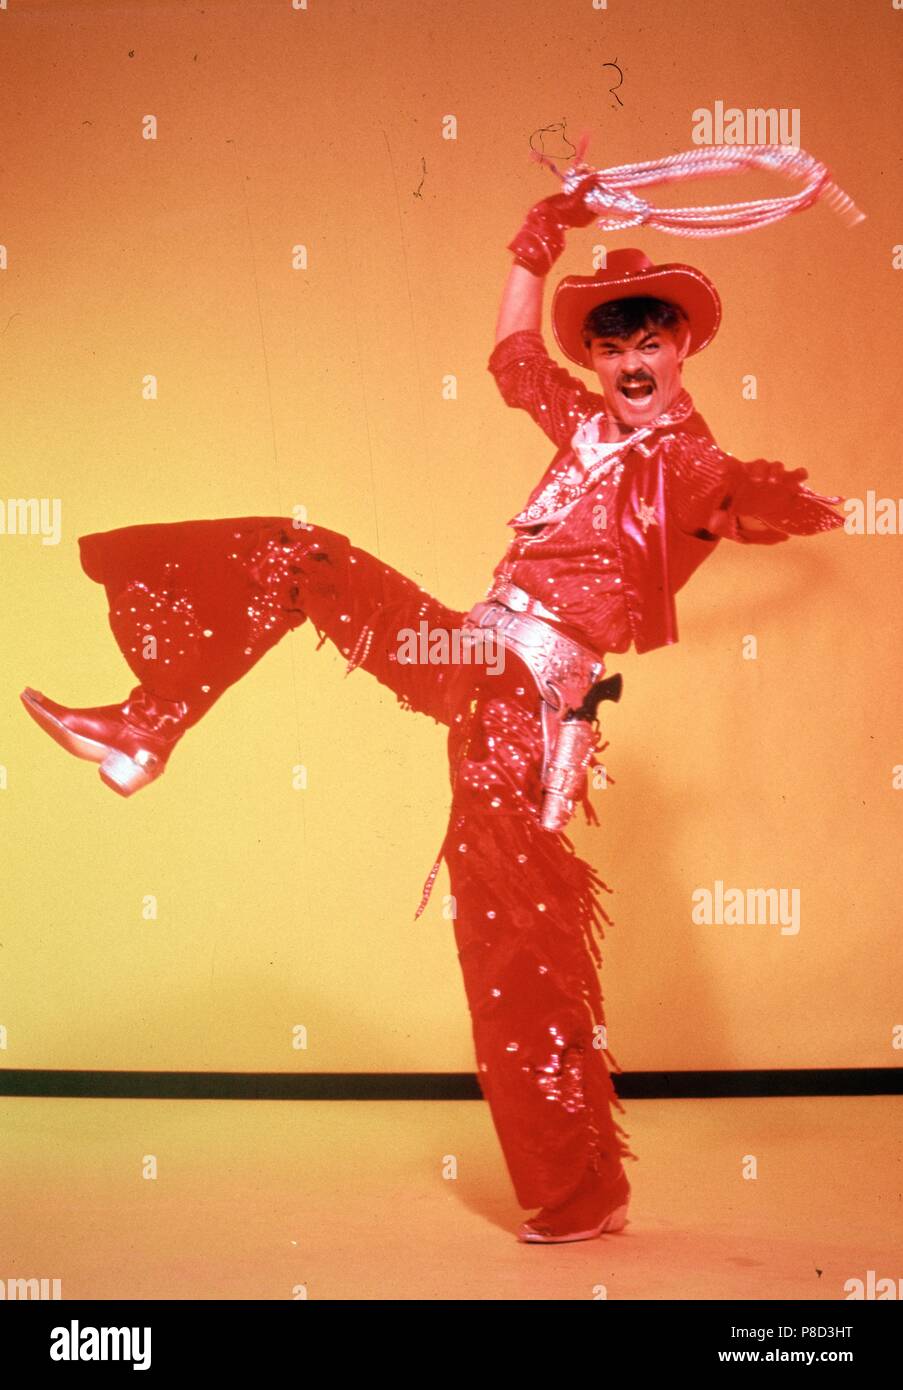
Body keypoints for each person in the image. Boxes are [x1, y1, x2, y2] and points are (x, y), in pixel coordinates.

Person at [19, 177, 846, 1244]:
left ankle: (581, 1190)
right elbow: (510, 360)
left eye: (650, 340)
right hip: (467, 650)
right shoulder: (590, 426)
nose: (631, 362)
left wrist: (767, 501)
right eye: (612, 345)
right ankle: (149, 721)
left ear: (682, 344)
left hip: (526, 698)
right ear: (599, 357)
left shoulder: (690, 463)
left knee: (514, 947)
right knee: (295, 550)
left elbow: (732, 499)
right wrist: (536, 239)